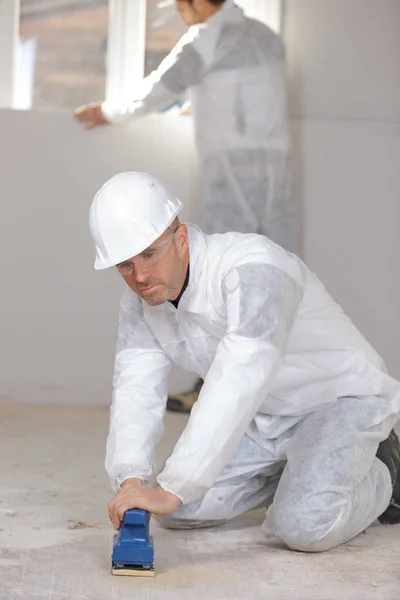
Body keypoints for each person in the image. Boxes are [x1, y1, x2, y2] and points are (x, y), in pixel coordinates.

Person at [89, 172, 400, 553]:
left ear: (181, 239)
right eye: (124, 264)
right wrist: (132, 479)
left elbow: (240, 375)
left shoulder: (254, 267)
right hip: (265, 414)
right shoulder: (142, 304)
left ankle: (388, 471)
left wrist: (174, 486)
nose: (139, 277)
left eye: (149, 254)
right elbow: (135, 388)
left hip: (339, 401)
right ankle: (300, 471)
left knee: (303, 527)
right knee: (177, 511)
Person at [76, 0, 297, 412]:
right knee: (272, 279)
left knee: (208, 279)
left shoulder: (206, 38)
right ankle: (270, 393)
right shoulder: (266, 39)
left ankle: (213, 393)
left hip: (231, 176)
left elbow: (158, 88)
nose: (178, 12)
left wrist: (106, 112)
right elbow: (245, 100)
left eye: (180, 4)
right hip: (277, 176)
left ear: (199, 3)